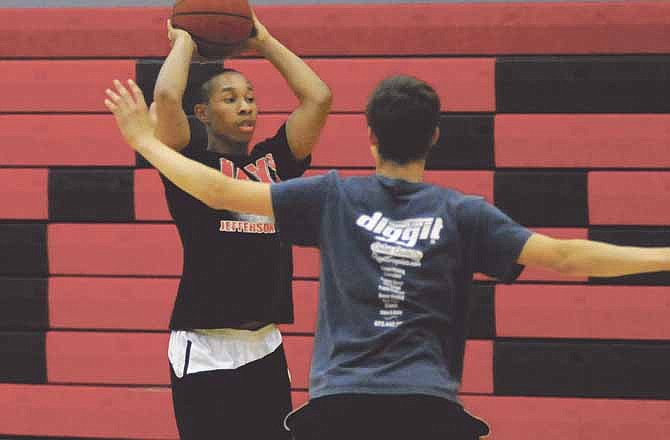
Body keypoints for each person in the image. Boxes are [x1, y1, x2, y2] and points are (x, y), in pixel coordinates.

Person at [105, 75, 670, 440]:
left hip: (339, 409)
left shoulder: (332, 196)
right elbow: (568, 256)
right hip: (427, 408)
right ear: (435, 137)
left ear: (370, 135)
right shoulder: (463, 213)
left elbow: (222, 193)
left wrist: (144, 142)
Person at [144, 12, 331, 440]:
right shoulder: (189, 160)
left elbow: (318, 98)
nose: (245, 105)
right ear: (202, 113)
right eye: (229, 98)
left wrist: (264, 40)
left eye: (249, 97)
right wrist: (185, 41)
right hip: (205, 345)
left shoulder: (275, 161)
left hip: (265, 342)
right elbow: (167, 98)